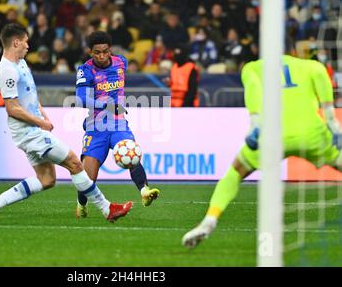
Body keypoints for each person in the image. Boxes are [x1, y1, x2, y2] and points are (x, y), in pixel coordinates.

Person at [0, 24, 133, 224]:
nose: (27, 46)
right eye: (25, 41)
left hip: (34, 128)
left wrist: (43, 115)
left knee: (46, 180)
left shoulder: (21, 63)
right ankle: (107, 209)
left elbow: (30, 95)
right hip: (28, 132)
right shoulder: (6, 70)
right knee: (75, 163)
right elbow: (12, 108)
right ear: (16, 42)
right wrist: (40, 122)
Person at [182, 55, 342, 249]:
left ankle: (210, 219)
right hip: (311, 134)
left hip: (271, 135)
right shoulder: (311, 65)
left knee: (235, 173)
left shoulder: (252, 68)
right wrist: (334, 126)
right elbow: (324, 89)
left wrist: (255, 124)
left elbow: (254, 92)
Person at [74, 31, 160, 218]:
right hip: (96, 127)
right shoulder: (85, 70)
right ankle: (81, 204)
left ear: (110, 50)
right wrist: (106, 105)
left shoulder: (121, 62)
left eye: (105, 51)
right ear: (90, 52)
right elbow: (81, 99)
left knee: (131, 152)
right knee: (88, 177)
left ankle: (144, 191)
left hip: (118, 123)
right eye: (97, 52)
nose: (102, 56)